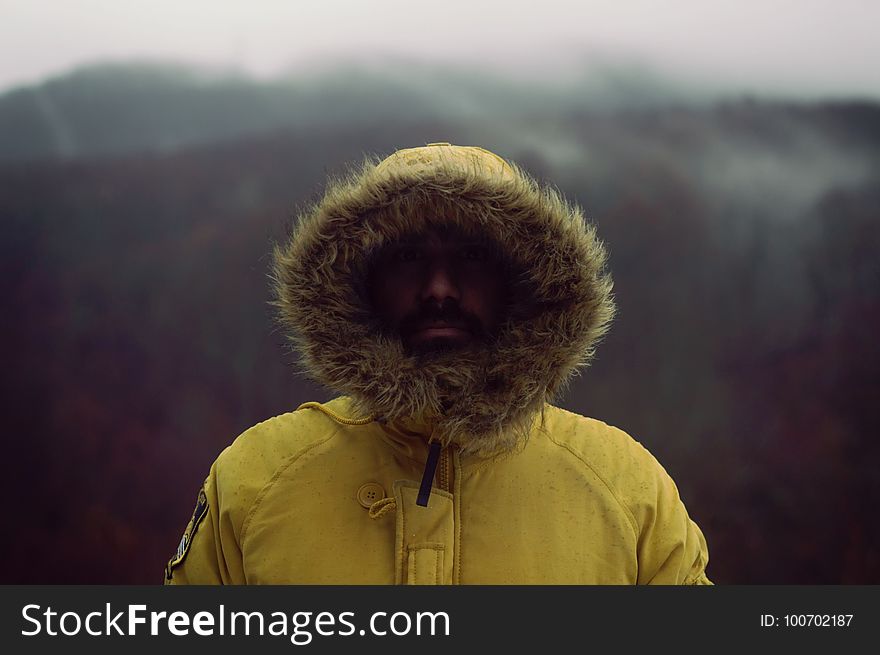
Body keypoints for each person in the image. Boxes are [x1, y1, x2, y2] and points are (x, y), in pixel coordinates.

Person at [164, 142, 711, 585]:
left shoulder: (624, 487)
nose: (439, 289)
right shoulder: (256, 479)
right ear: (362, 283)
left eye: (472, 258)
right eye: (408, 258)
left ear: (520, 283)